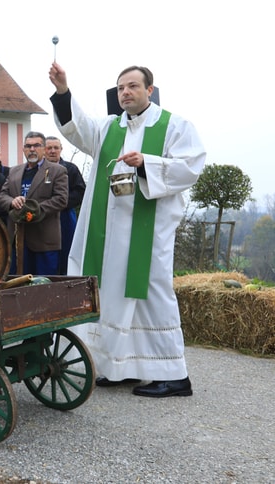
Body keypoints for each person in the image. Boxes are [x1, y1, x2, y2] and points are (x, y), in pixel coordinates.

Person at [49, 62, 206, 398]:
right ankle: (119, 367)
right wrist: (63, 91)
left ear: (150, 90)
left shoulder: (174, 125)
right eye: (121, 88)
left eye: (133, 86)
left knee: (151, 293)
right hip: (108, 236)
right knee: (111, 296)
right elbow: (76, 128)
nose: (126, 92)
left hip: (147, 233)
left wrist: (147, 163)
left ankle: (175, 375)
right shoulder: (108, 128)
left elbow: (191, 165)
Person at [0, 131, 68, 276]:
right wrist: (12, 202)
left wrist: (31, 210)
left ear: (44, 148)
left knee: (43, 286)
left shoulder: (57, 171)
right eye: (28, 146)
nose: (32, 149)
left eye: (37, 145)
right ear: (23, 149)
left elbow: (61, 199)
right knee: (17, 285)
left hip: (44, 240)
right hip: (18, 240)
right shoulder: (14, 171)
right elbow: (2, 195)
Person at [44, 136, 86, 275]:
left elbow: (80, 191)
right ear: (44, 150)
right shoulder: (40, 171)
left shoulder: (70, 169)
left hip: (66, 216)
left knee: (67, 251)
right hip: (44, 217)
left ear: (61, 149)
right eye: (49, 148)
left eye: (56, 148)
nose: (52, 151)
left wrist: (60, 203)